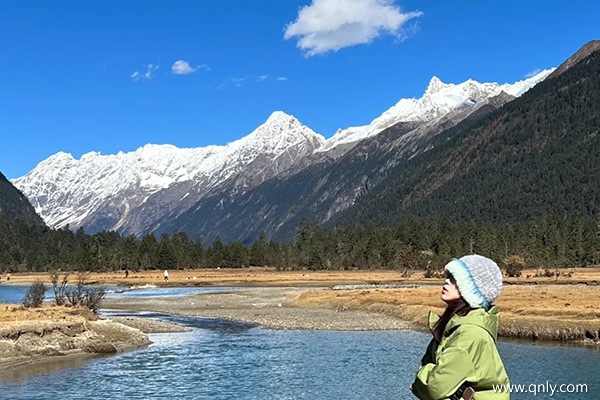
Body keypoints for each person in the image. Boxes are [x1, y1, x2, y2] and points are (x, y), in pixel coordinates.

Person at [411, 254, 510, 400]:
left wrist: (424, 372)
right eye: (448, 277)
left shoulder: (469, 334)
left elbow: (434, 387)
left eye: (454, 280)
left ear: (471, 289)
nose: (446, 282)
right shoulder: (452, 327)